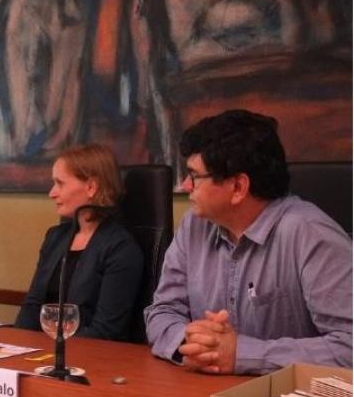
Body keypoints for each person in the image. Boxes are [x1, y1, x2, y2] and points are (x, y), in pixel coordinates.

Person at [145, 110, 352, 375]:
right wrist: (192, 344)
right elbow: (162, 311)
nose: (185, 185)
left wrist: (241, 354)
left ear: (238, 188)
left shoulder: (311, 234)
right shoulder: (193, 226)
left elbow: (348, 345)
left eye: (194, 175)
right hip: (202, 389)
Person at [15, 144, 144, 341]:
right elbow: (33, 306)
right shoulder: (55, 237)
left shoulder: (121, 248)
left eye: (60, 183)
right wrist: (17, 346)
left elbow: (106, 330)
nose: (52, 193)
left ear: (91, 187)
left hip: (89, 354)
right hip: (42, 350)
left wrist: (53, 351)